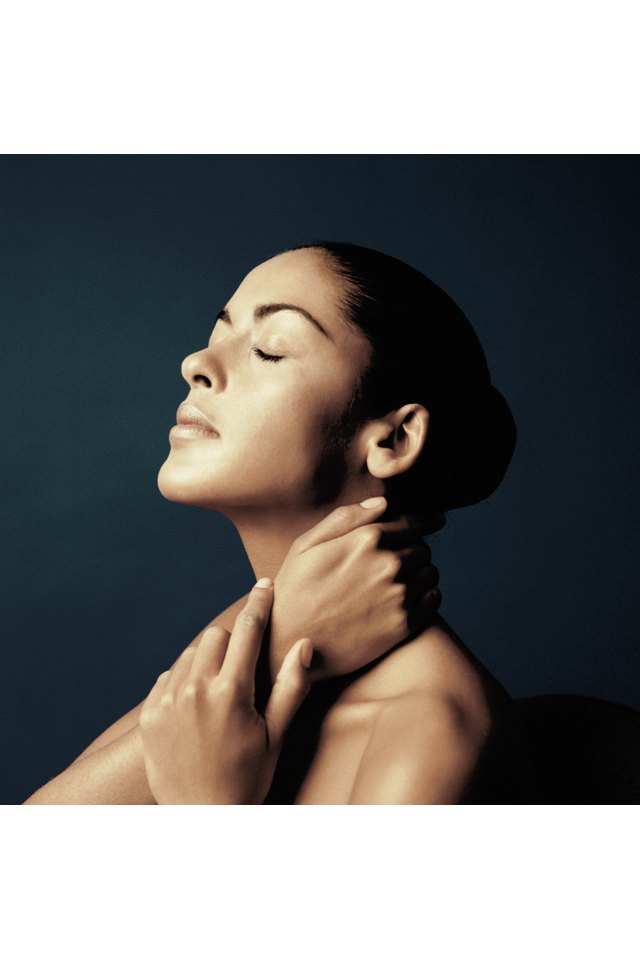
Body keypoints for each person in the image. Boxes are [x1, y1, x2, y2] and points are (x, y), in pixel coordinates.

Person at [24, 240, 521, 804]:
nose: (196, 364)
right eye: (217, 337)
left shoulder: (431, 728)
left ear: (393, 438)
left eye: (269, 350)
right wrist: (283, 638)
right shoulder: (264, 625)